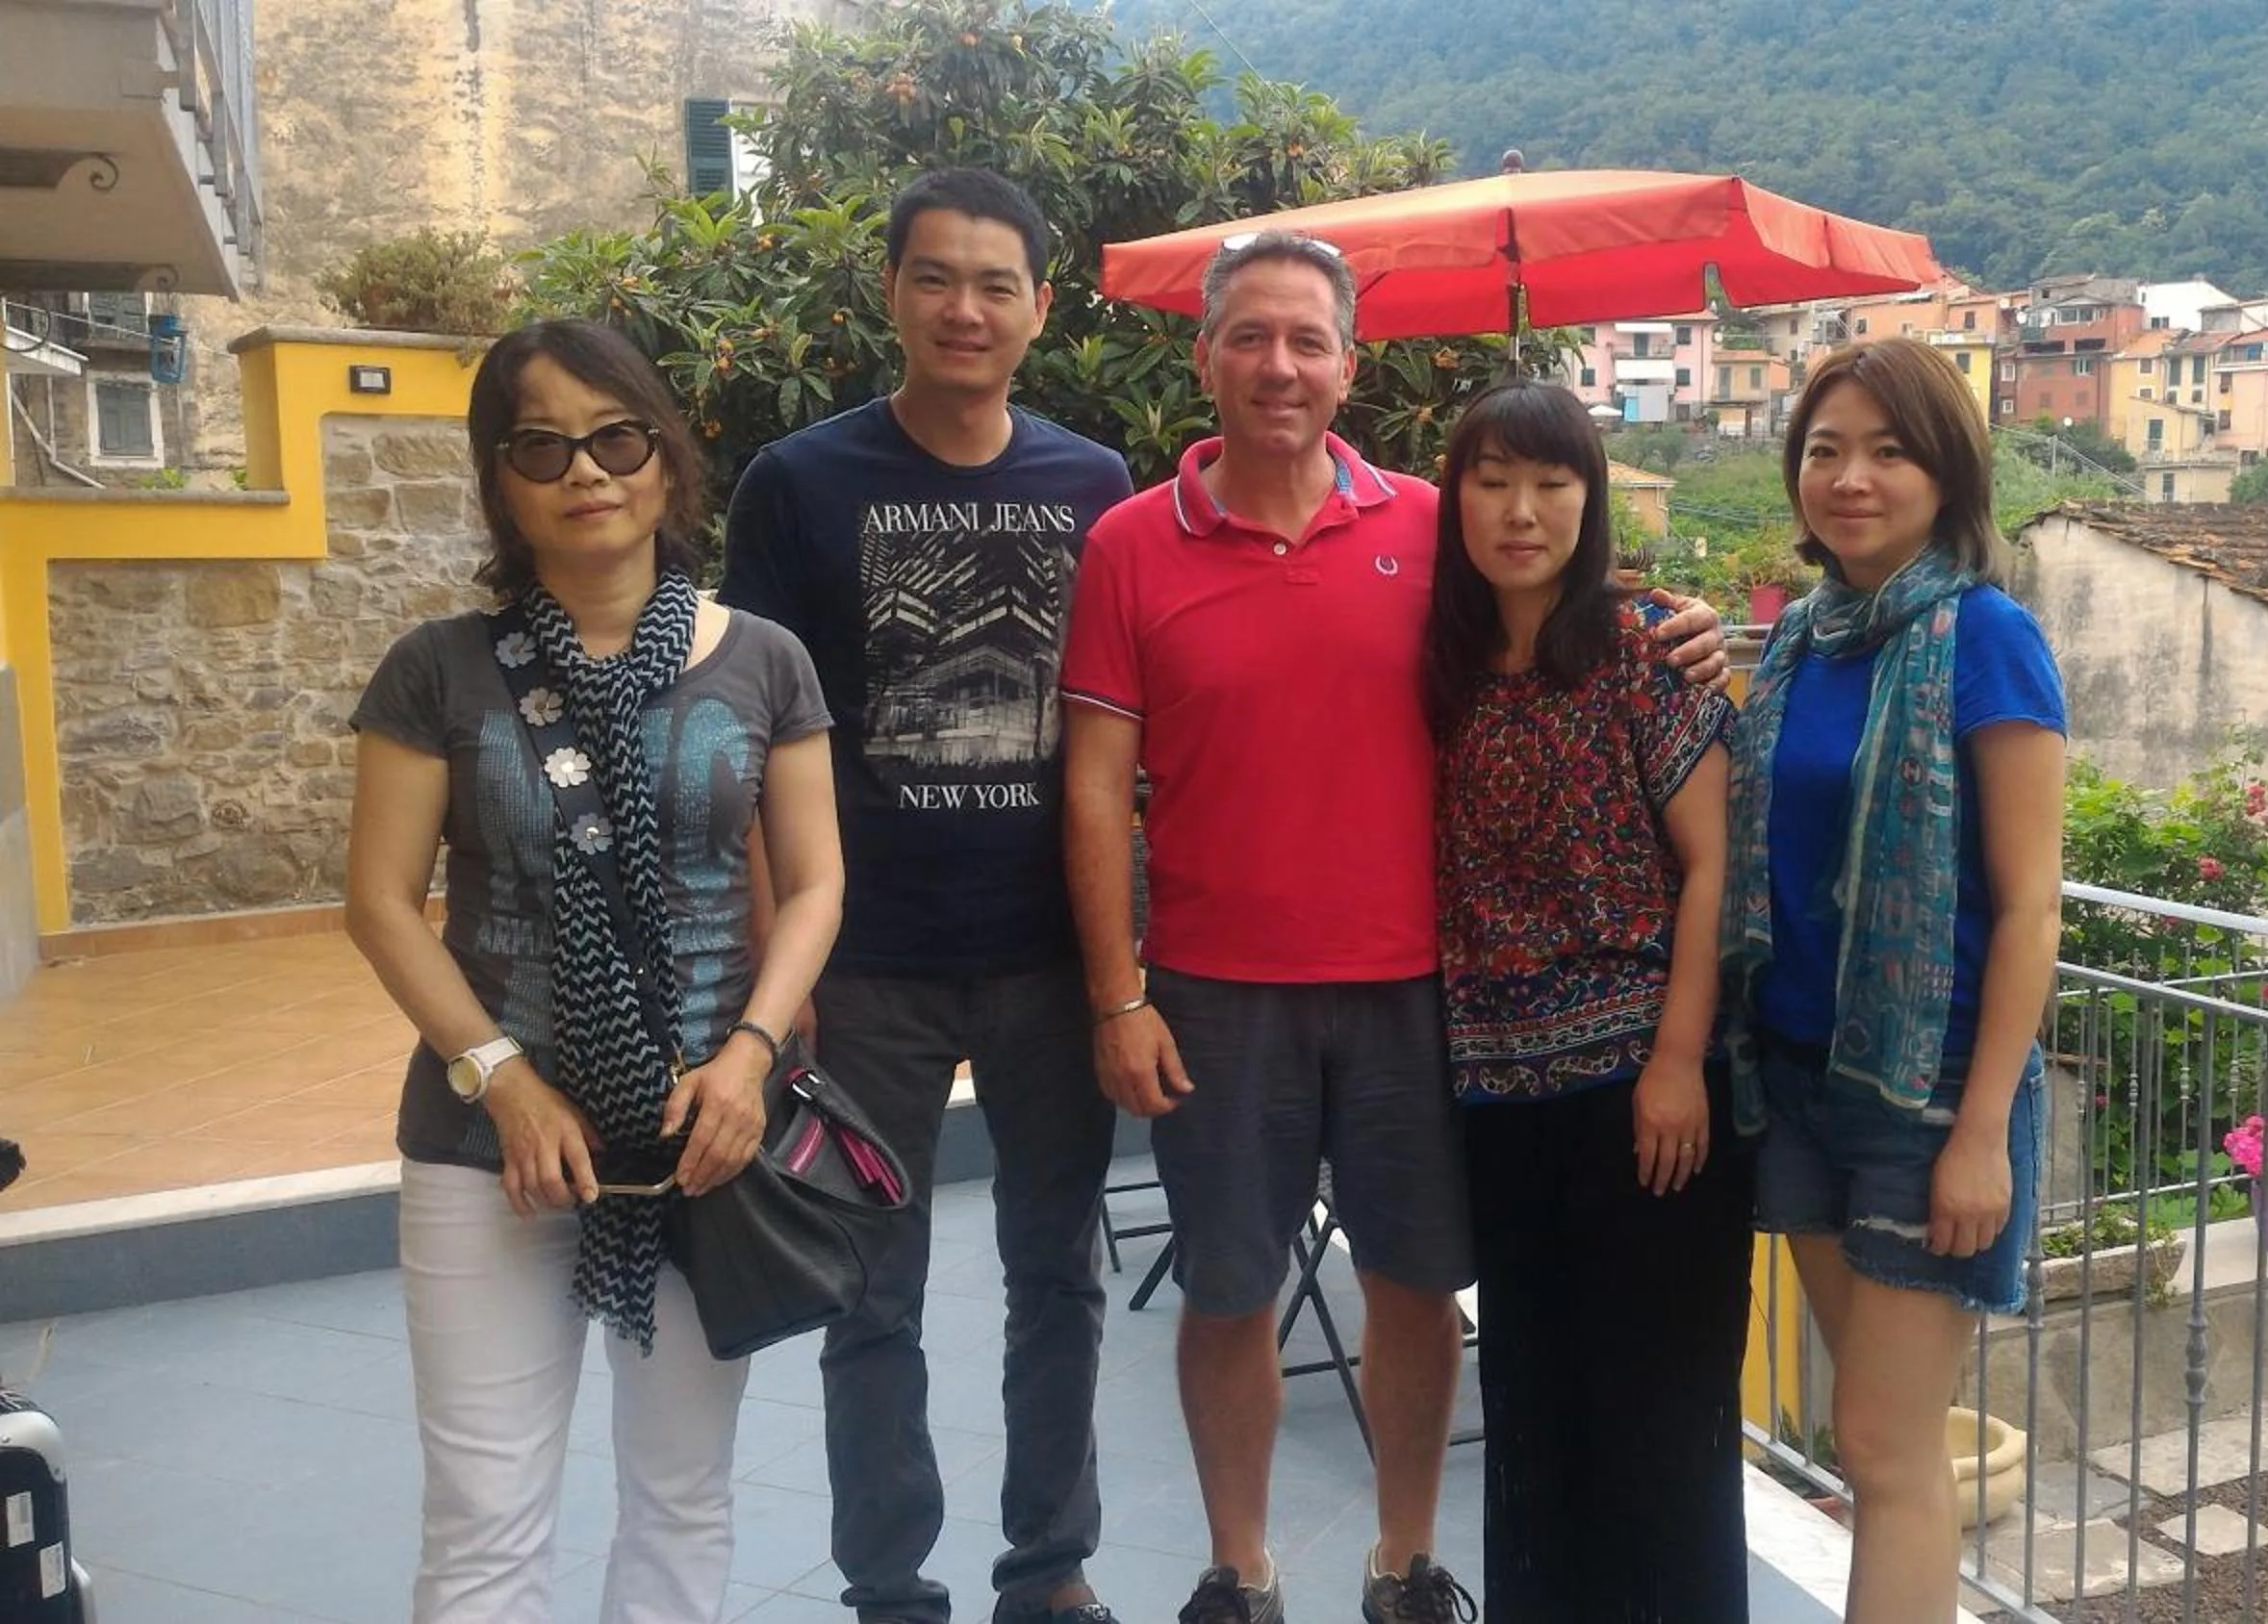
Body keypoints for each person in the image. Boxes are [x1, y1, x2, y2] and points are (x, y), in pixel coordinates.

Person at [1059, 232, 1723, 1624]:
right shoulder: (1129, 544)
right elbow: (1094, 785)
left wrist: (1688, 626)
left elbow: (1565, 603)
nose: (1281, 366)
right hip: (1212, 990)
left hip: (1421, 992)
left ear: (1350, 367)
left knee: (1417, 1288)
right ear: (1207, 356)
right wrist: (1116, 993)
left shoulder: (1433, 523)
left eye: (1310, 341)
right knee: (1231, 1291)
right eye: (1252, 336)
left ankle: (1403, 1564)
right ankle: (1239, 1570)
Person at [345, 317, 845, 1623]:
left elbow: (815, 884)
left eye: (617, 436)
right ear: (500, 482)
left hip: (703, 1143)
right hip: (483, 1145)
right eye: (542, 445)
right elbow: (383, 903)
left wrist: (752, 1058)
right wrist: (503, 1080)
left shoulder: (765, 663)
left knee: (684, 1495)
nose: (588, 470)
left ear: (667, 462)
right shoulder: (438, 671)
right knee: (484, 1517)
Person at [717, 168, 1136, 1624]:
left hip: (1043, 959)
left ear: (1039, 307)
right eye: (937, 277)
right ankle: (889, 1583)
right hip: (865, 971)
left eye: (996, 283)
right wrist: (782, 983)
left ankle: (1050, 1567)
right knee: (866, 1290)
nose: (966, 307)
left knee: (1057, 1277)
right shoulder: (798, 482)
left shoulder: (1095, 486)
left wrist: (1115, 969)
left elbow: (1117, 733)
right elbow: (760, 742)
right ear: (890, 289)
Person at [1721, 337, 2066, 1624]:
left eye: (1887, 450)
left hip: (1926, 1102)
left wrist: (1983, 1135)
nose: (1850, 477)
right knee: (1863, 1437)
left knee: (1885, 1448)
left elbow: (2033, 905)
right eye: (1825, 449)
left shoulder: (1985, 637)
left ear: (1945, 471)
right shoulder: (1797, 642)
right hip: (1800, 1081)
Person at [1421, 381, 1752, 1623]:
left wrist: (1676, 1059)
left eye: (1552, 483)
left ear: (1591, 500)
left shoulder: (1645, 652)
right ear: (1453, 499)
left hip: (1644, 1095)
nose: (1521, 510)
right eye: (1493, 480)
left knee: (1660, 1430)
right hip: (1499, 1097)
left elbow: (1714, 861)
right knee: (1534, 1420)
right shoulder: (1439, 664)